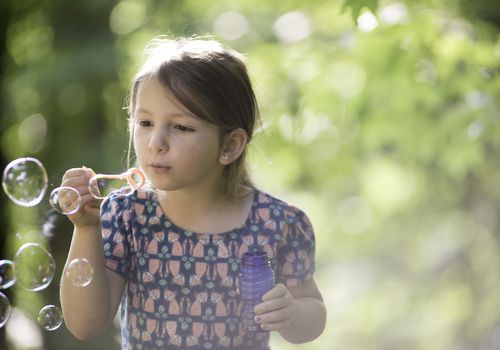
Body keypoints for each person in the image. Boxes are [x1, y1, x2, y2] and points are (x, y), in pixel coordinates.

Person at [59, 36, 326, 350]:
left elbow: (312, 314)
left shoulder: (277, 223)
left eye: (181, 127)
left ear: (229, 146)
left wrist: (292, 314)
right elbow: (85, 324)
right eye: (145, 122)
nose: (155, 141)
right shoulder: (127, 216)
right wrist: (86, 229)